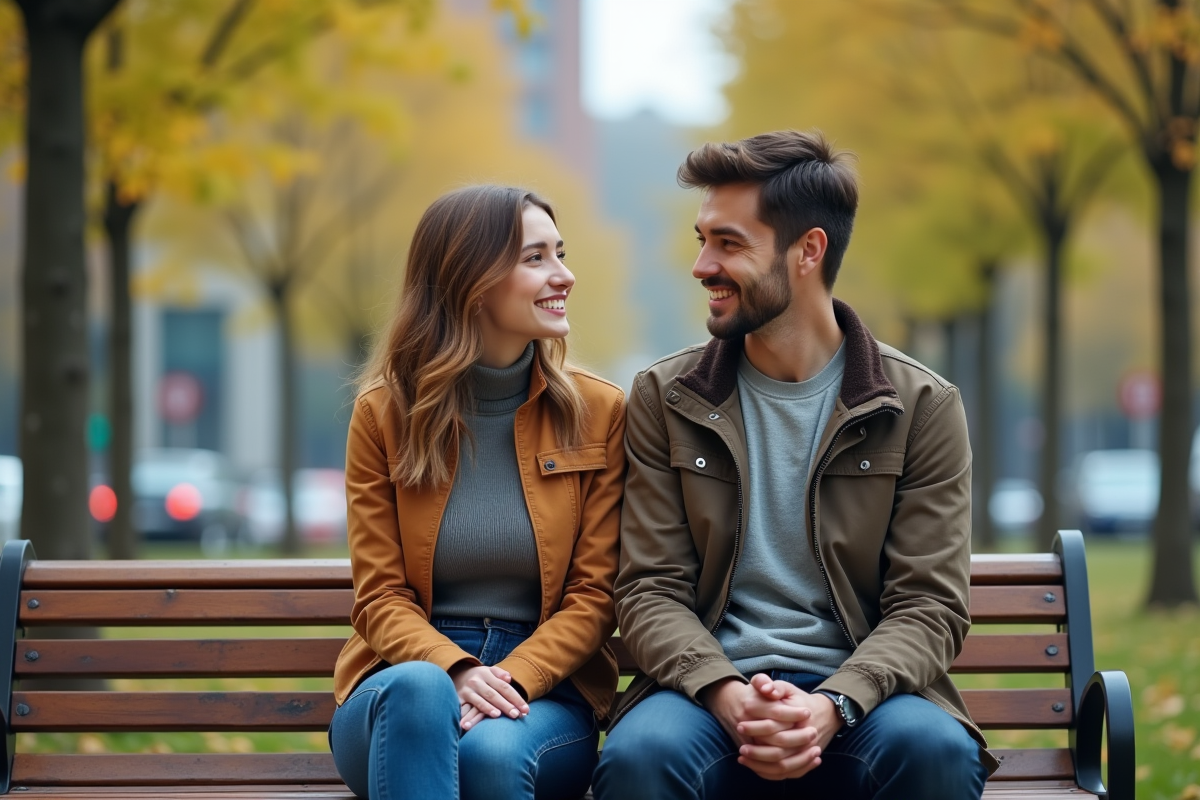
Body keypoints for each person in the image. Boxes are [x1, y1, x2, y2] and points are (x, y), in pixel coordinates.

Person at [593, 131, 998, 800]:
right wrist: (727, 694)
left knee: (934, 752)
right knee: (642, 757)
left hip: (867, 700)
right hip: (704, 696)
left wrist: (833, 705)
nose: (701, 265)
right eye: (702, 239)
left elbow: (927, 605)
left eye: (728, 243)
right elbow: (648, 588)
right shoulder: (666, 398)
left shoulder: (921, 404)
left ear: (808, 250)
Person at [329, 185, 626, 800]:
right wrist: (454, 669)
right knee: (419, 691)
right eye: (536, 258)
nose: (564, 276)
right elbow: (379, 594)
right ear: (472, 279)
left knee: (492, 755)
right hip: (401, 682)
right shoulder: (383, 414)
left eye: (561, 254)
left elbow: (595, 595)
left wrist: (512, 677)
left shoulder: (599, 411)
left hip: (542, 686)